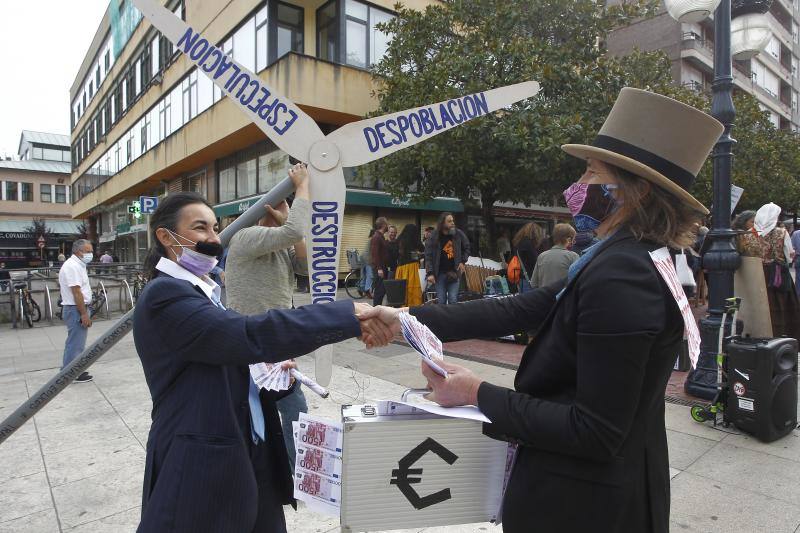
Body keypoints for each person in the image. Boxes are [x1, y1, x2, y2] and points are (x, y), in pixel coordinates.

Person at [362, 88, 724, 532]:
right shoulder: (627, 255)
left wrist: (476, 393)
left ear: (635, 190)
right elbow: (517, 309)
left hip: (585, 508)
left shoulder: (622, 276)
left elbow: (595, 430)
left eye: (591, 172)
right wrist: (404, 319)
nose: (576, 187)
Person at [132, 190, 392, 533]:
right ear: (165, 236)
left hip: (248, 451)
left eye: (214, 228)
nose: (213, 239)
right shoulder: (165, 295)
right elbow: (246, 335)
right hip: (203, 463)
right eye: (200, 228)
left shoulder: (203, 292)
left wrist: (264, 373)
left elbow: (223, 354)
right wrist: (349, 313)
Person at [224, 162, 310, 472]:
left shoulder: (278, 247)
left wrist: (289, 223)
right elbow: (296, 229)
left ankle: (295, 469)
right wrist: (301, 187)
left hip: (276, 343)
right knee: (251, 412)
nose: (285, 212)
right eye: (281, 205)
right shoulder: (245, 238)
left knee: (294, 410)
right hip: (250, 341)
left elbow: (304, 268)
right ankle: (258, 468)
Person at [736, 203, 800, 339]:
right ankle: (782, 337)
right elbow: (788, 257)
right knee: (781, 307)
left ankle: (757, 335)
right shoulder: (782, 233)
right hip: (777, 276)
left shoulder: (746, 235)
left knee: (758, 306)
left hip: (755, 276)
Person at [58, 239, 94, 383]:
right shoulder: (72, 266)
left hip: (76, 308)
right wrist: (84, 314)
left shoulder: (79, 265)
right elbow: (76, 292)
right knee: (75, 343)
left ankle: (74, 370)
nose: (91, 254)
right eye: (88, 251)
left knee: (77, 342)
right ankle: (69, 373)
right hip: (75, 309)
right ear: (78, 252)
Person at [425, 212, 470, 305]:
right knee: (441, 300)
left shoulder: (458, 234)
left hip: (454, 272)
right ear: (443, 223)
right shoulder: (434, 236)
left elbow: (467, 247)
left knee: (453, 299)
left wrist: (462, 261)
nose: (452, 223)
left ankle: (452, 319)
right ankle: (442, 319)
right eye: (449, 221)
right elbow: (428, 255)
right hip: (439, 273)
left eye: (453, 220)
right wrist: (430, 273)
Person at [530, 223, 579, 287]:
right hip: (563, 296)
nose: (574, 242)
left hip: (544, 295)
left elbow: (534, 283)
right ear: (569, 240)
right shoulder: (573, 256)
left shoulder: (542, 256)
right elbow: (578, 282)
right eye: (574, 240)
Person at [393, 224, 425, 307]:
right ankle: (413, 307)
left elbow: (394, 254)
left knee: (402, 290)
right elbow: (423, 250)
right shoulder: (415, 240)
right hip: (412, 267)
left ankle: (401, 307)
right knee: (413, 289)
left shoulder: (399, 240)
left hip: (400, 268)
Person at [511, 222, 544, 293]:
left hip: (521, 278)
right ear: (535, 233)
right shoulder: (528, 244)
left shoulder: (518, 242)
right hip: (528, 279)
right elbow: (535, 261)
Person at [370, 217, 390, 305]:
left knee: (381, 291)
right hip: (380, 269)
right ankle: (376, 310)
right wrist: (379, 268)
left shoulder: (380, 237)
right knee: (379, 291)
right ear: (383, 225)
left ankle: (378, 310)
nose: (388, 226)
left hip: (382, 268)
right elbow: (375, 254)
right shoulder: (376, 237)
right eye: (387, 224)